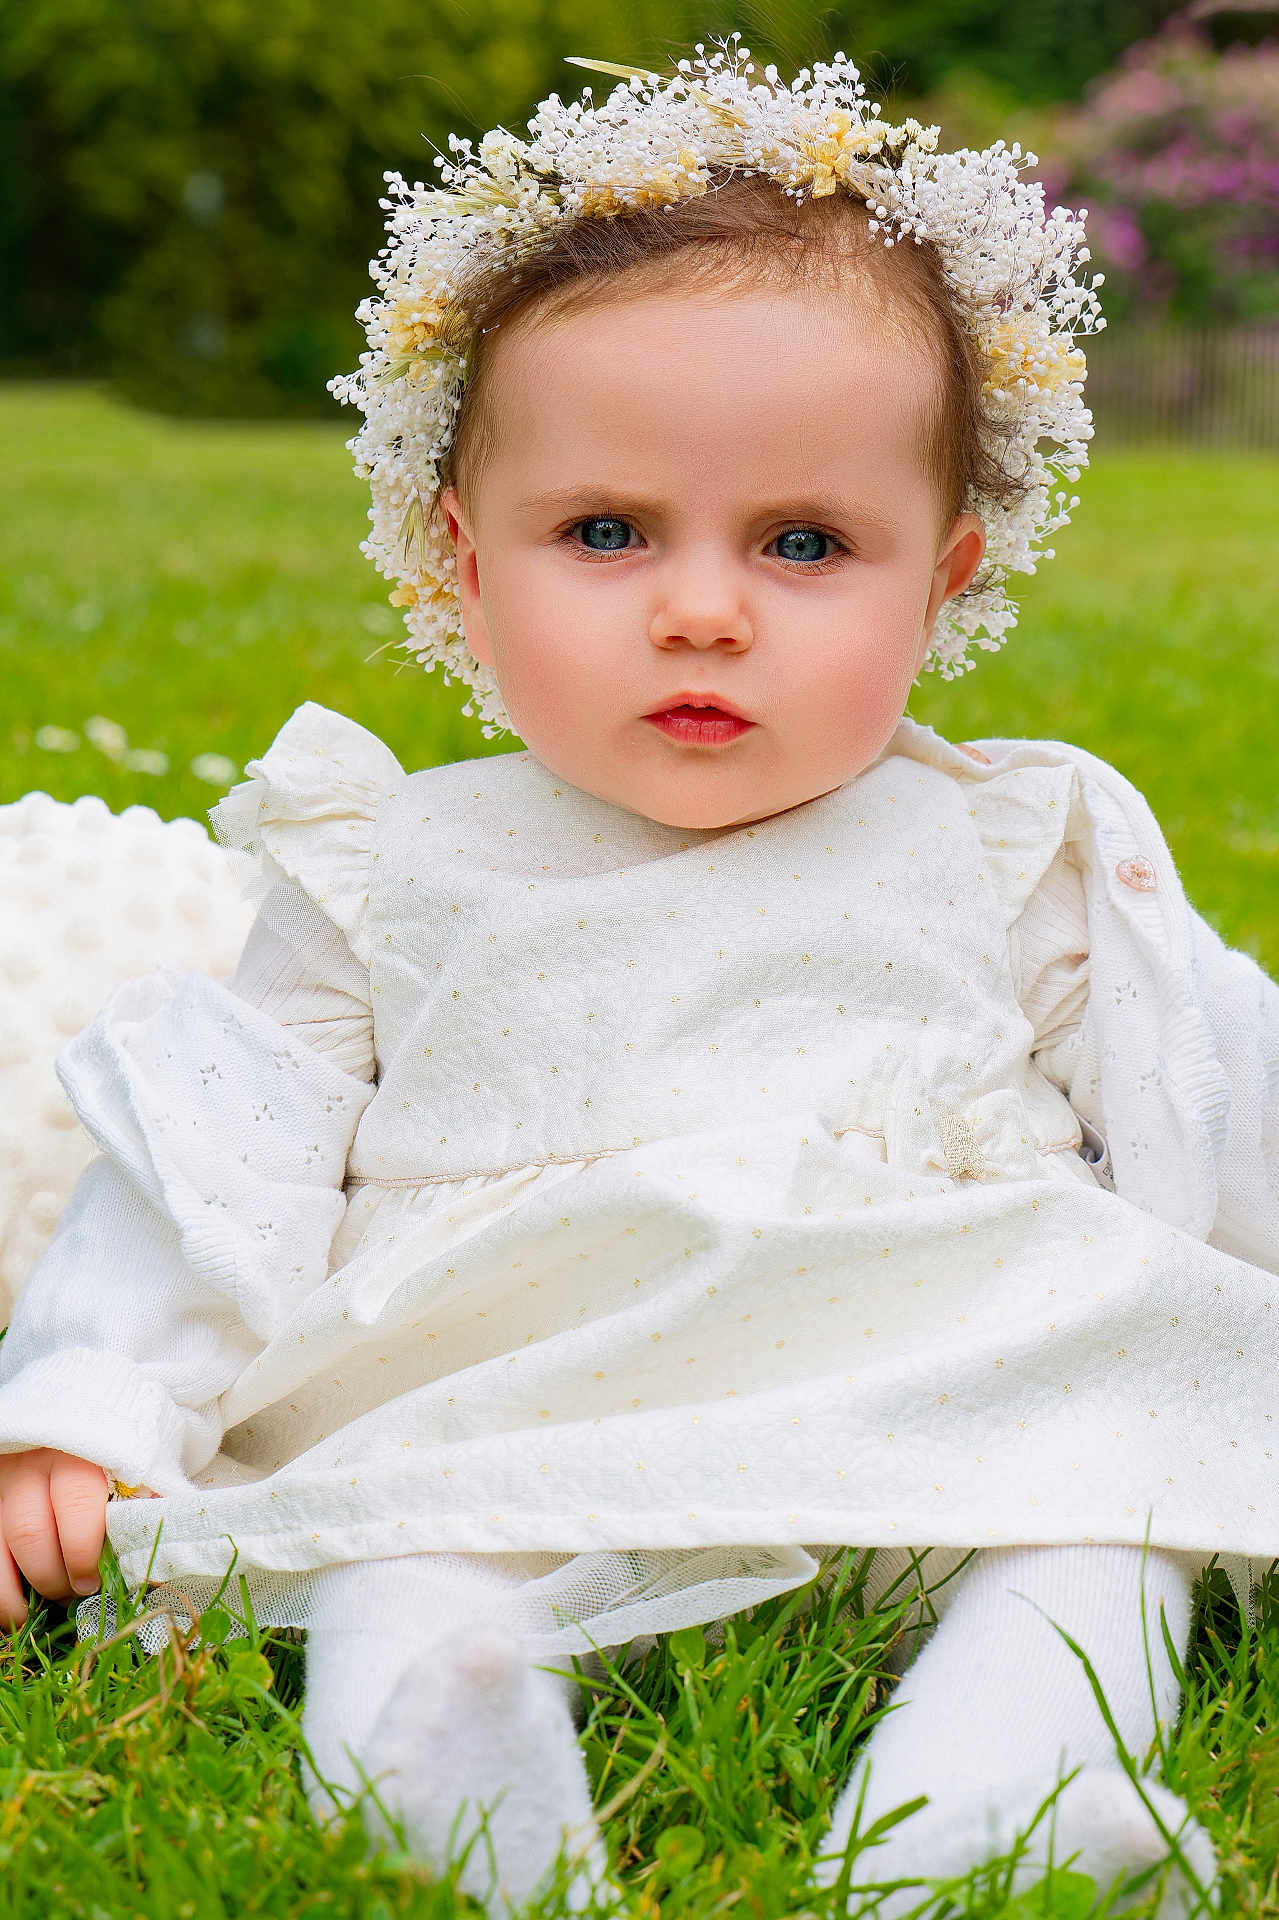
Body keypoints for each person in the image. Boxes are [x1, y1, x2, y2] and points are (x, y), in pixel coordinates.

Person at [0, 37, 1274, 1917]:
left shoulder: (1005, 844)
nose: (702, 605)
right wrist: (87, 1401)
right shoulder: (388, 858)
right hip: (512, 1394)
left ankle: (1000, 1810)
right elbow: (219, 1153)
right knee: (404, 1555)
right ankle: (453, 1759)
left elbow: (1218, 1081)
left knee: (1115, 1512)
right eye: (605, 532)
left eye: (806, 544)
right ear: (461, 563)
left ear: (943, 580)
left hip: (948, 1372)